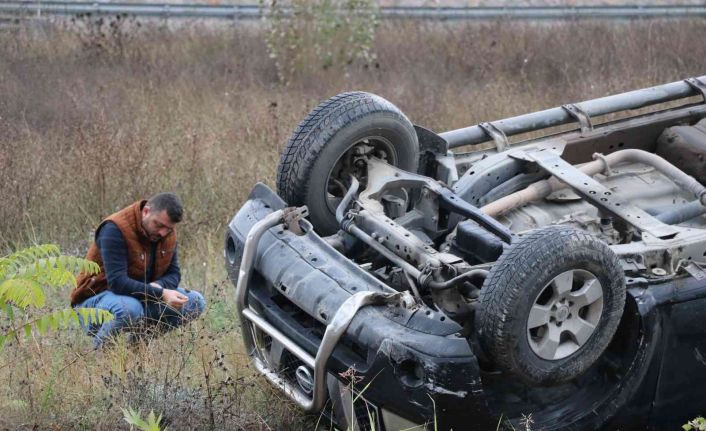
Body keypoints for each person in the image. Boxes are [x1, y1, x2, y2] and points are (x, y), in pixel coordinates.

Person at [70, 192, 205, 348]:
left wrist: (159, 285)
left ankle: (136, 349)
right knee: (129, 308)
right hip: (93, 301)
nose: (163, 233)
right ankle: (100, 359)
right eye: (159, 225)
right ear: (146, 211)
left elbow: (174, 274)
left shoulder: (166, 233)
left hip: (138, 298)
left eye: (168, 229)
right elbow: (117, 283)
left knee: (195, 302)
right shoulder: (114, 228)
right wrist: (161, 293)